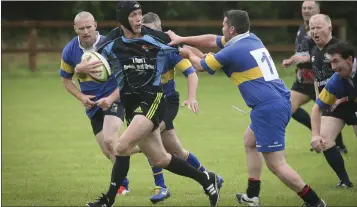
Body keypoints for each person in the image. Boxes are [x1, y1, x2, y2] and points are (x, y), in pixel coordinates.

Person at [167, 9, 326, 207]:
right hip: (277, 101)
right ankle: (252, 195)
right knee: (250, 141)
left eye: (224, 25)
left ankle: (315, 202)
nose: (221, 28)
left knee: (276, 164)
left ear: (232, 29)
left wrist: (187, 51)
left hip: (269, 108)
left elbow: (199, 66)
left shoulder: (233, 50)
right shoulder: (249, 38)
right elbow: (210, 41)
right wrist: (181, 38)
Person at [87, 2, 220, 207]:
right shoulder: (110, 42)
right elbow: (89, 63)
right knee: (160, 159)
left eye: (140, 14)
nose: (139, 18)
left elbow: (184, 49)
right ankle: (206, 179)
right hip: (131, 105)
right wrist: (81, 67)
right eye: (133, 15)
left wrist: (201, 57)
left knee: (121, 146)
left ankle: (108, 200)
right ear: (123, 19)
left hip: (153, 99)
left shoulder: (155, 37)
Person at [142, 12, 224, 203]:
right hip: (150, 104)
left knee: (147, 137)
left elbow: (191, 72)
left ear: (161, 31)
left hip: (168, 103)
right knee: (177, 150)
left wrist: (191, 97)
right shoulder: (139, 50)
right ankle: (210, 177)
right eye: (147, 33)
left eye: (154, 32)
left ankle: (161, 186)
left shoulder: (169, 50)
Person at [59, 11, 130, 196]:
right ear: (75, 29)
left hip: (114, 97)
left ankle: (121, 185)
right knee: (108, 150)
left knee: (109, 139)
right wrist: (81, 96)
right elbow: (66, 80)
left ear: (95, 26)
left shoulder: (110, 44)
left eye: (89, 27)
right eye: (81, 28)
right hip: (92, 104)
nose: (85, 31)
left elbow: (127, 77)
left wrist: (112, 97)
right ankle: (140, 148)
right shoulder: (69, 51)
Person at [282, 1, 347, 153]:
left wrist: (308, 59)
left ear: (318, 10)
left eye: (309, 8)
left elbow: (326, 54)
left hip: (320, 79)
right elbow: (301, 52)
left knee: (331, 112)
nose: (306, 10)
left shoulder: (322, 29)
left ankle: (337, 144)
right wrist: (291, 60)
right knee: (287, 106)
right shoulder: (302, 29)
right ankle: (317, 132)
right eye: (304, 8)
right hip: (304, 81)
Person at [310, 41, 356, 188]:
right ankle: (345, 181)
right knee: (324, 139)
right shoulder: (336, 80)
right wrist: (315, 135)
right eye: (331, 63)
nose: (334, 67)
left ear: (349, 59)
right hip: (342, 104)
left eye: (336, 61)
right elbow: (316, 108)